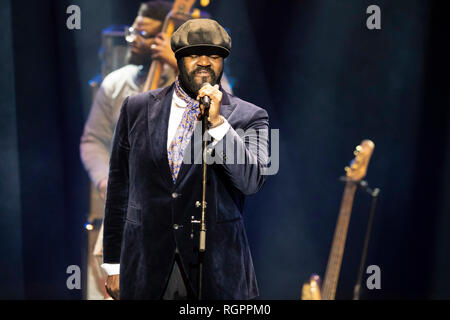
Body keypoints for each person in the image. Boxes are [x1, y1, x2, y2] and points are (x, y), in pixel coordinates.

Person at [102, 18, 270, 300]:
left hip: (216, 271)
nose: (204, 62)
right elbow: (120, 187)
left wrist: (217, 124)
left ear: (223, 61)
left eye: (214, 55)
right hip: (146, 265)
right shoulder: (136, 108)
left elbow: (251, 182)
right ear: (178, 59)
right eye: (194, 54)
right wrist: (114, 263)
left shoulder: (251, 116)